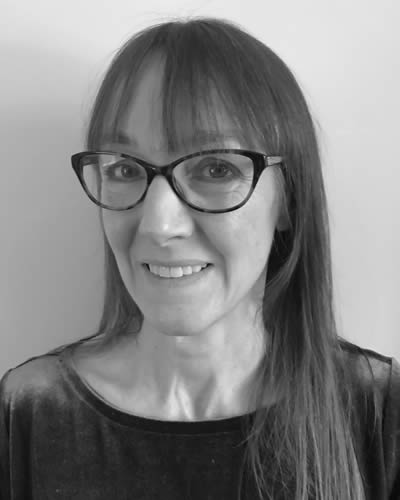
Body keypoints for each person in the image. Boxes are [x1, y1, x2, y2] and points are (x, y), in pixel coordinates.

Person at [0, 17, 399, 500]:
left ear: (288, 199)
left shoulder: (379, 412)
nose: (158, 224)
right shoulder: (29, 411)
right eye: (125, 169)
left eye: (215, 168)